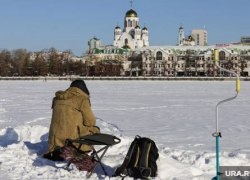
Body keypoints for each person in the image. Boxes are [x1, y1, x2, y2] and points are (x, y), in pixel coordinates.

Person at [44, 79, 100, 161]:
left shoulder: (57, 99)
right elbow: (90, 122)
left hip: (54, 144)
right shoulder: (82, 99)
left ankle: (60, 149)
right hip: (72, 141)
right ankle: (77, 150)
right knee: (95, 129)